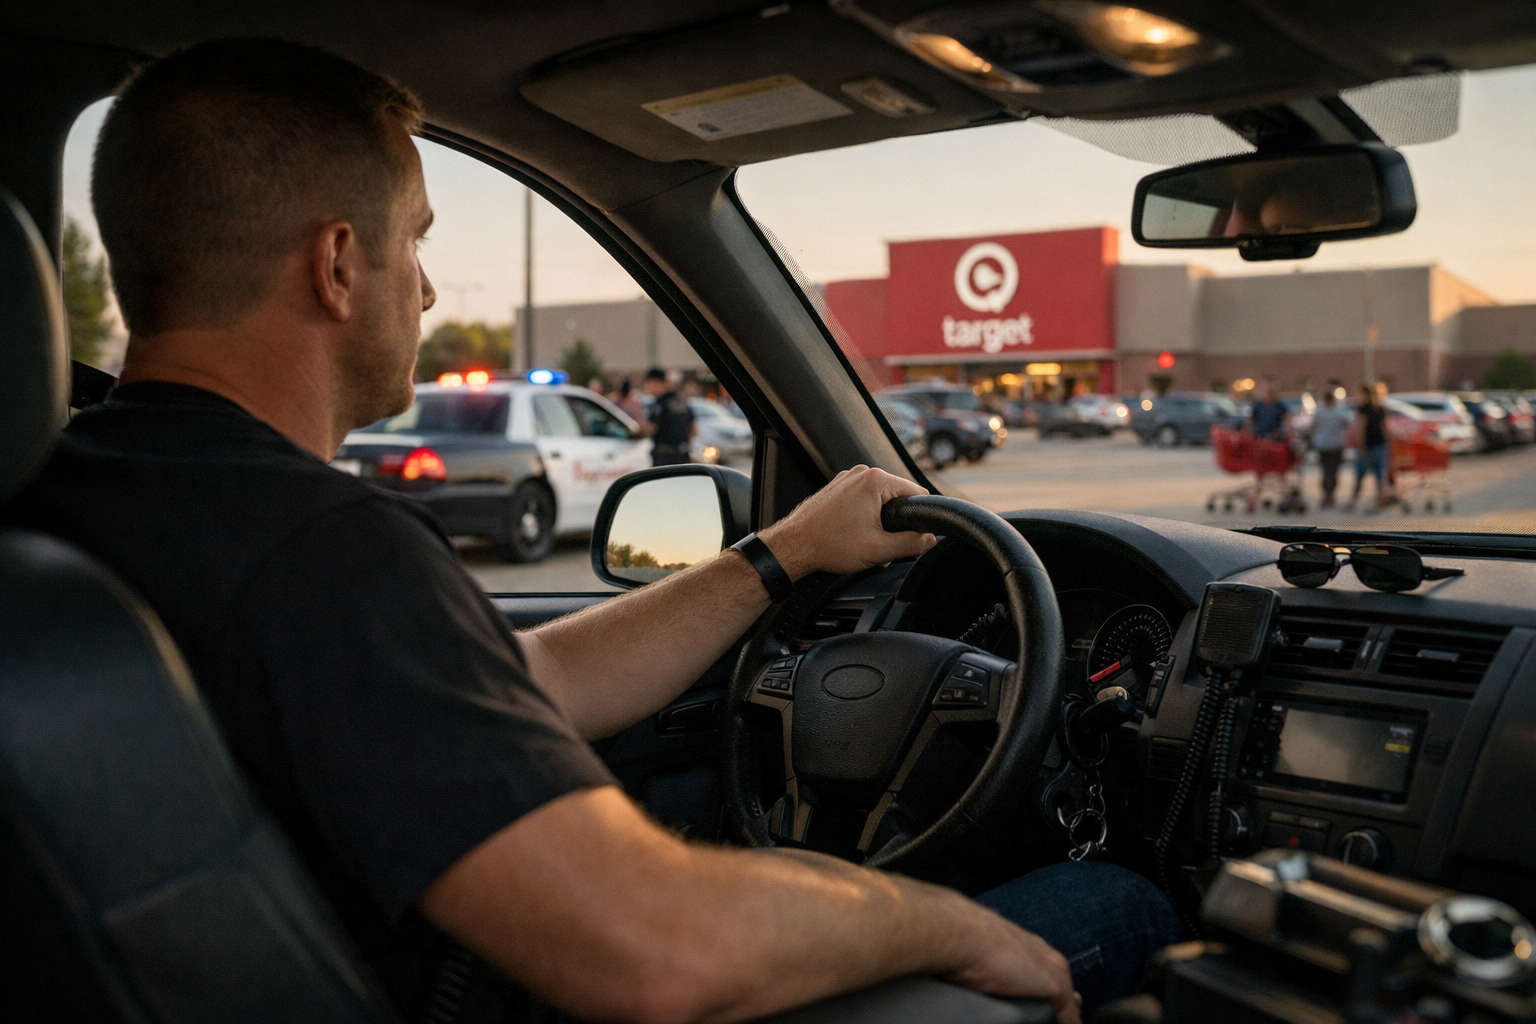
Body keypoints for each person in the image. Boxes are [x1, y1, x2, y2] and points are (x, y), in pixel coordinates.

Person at [3, 39, 1179, 1024]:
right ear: (338, 262)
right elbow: (655, 948)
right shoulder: (313, 548)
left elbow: (515, 685)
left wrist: (778, 557)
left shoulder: (83, 489)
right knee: (1118, 901)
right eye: (413, 241)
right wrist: (941, 918)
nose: (422, 290)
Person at [1349, 382, 1390, 512]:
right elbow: (1385, 428)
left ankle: (1352, 503)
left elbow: (1360, 428)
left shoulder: (1363, 408)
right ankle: (1379, 504)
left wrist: (1360, 445)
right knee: (1380, 476)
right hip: (1381, 444)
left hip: (1368, 445)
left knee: (1360, 475)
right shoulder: (1381, 408)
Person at [643, 366, 696, 466]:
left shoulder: (660, 404)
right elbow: (694, 430)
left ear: (655, 382)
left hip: (665, 458)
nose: (647, 388)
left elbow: (651, 429)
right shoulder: (682, 400)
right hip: (683, 457)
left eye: (648, 384)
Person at [1309, 387, 1352, 508]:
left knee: (1325, 470)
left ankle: (1326, 495)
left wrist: (1311, 442)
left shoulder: (1319, 412)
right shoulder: (1339, 412)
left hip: (1322, 445)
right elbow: (1348, 423)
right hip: (1336, 445)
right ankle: (1330, 495)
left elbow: (1312, 427)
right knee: (1333, 471)